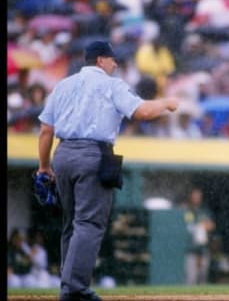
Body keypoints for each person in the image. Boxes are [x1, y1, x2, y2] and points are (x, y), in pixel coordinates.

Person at [36, 40, 179, 301]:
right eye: (113, 59)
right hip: (93, 154)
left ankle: (68, 287)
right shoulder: (111, 85)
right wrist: (167, 103)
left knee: (72, 225)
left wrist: (44, 167)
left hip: (63, 154)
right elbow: (143, 112)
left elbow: (46, 130)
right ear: (101, 60)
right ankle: (75, 289)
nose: (115, 64)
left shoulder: (63, 85)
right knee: (88, 223)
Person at [182, 186, 216, 285]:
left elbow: (211, 225)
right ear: (190, 197)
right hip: (190, 248)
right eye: (194, 196)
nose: (196, 198)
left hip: (203, 248)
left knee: (202, 277)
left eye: (198, 196)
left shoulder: (205, 211)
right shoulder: (185, 210)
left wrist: (203, 225)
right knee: (191, 278)